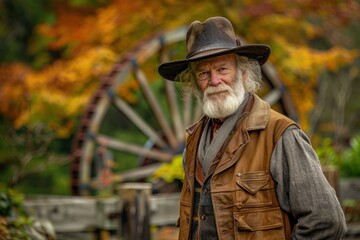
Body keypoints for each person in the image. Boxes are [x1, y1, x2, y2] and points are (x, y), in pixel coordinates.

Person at [158, 16, 347, 239]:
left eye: (222, 69)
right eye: (203, 73)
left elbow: (326, 222)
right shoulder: (193, 140)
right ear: (195, 83)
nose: (215, 80)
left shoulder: (280, 134)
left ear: (243, 72)